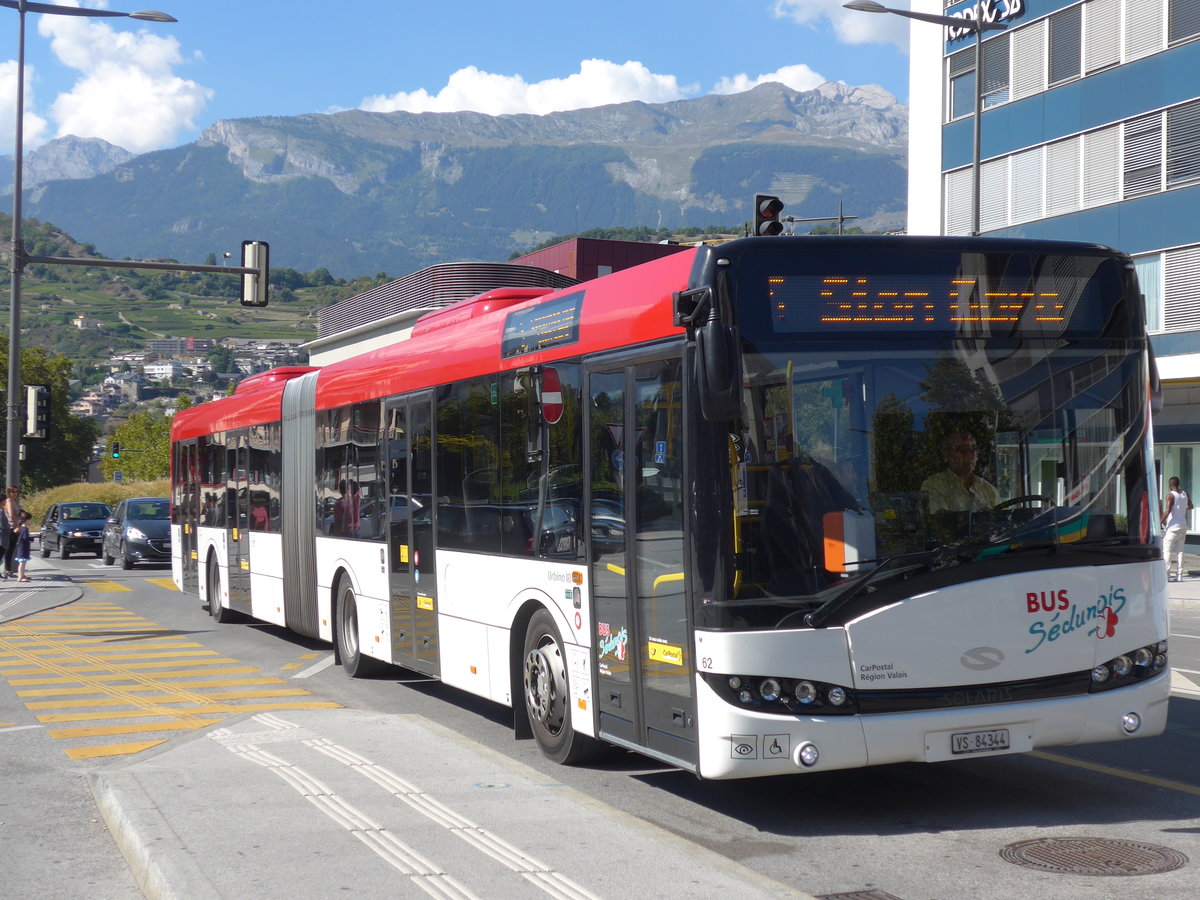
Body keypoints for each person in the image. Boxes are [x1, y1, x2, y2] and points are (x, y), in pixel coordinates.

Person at [921, 431, 999, 513]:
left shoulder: (989, 490)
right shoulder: (933, 485)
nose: (970, 454)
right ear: (946, 455)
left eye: (974, 448)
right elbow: (942, 521)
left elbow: (1000, 523)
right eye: (962, 449)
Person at [1161, 475, 1192, 581]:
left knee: (1167, 550)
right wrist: (1182, 507)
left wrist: (1159, 522)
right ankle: (1179, 576)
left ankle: (1166, 575)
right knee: (1180, 551)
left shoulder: (1170, 495)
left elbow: (1167, 511)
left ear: (1171, 485)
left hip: (1172, 527)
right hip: (1183, 526)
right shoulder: (1185, 494)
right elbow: (1191, 506)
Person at [3, 485, 21, 578]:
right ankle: (7, 569)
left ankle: (8, 569)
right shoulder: (9, 501)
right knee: (9, 549)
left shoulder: (14, 501)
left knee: (11, 549)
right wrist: (17, 526)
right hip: (11, 527)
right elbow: (11, 515)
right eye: (13, 491)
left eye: (16, 491)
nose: (15, 493)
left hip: (14, 526)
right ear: (9, 492)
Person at [13, 510, 32, 583]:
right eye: (30, 520)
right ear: (26, 520)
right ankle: (20, 577)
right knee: (22, 563)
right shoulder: (25, 529)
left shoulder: (20, 528)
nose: (30, 522)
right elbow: (25, 538)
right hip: (23, 548)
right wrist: (31, 538)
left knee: (22, 563)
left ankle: (22, 575)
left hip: (21, 548)